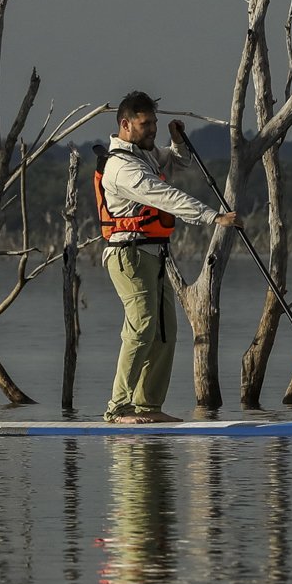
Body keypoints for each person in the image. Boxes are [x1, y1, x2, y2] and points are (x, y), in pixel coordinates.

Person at [95, 92, 238, 424]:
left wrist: (177, 141)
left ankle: (148, 407)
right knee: (142, 327)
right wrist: (212, 217)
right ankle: (117, 410)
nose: (152, 130)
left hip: (153, 255)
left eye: (155, 124)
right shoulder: (122, 167)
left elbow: (179, 161)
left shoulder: (145, 154)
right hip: (127, 255)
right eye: (146, 125)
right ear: (125, 124)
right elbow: (163, 195)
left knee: (164, 333)